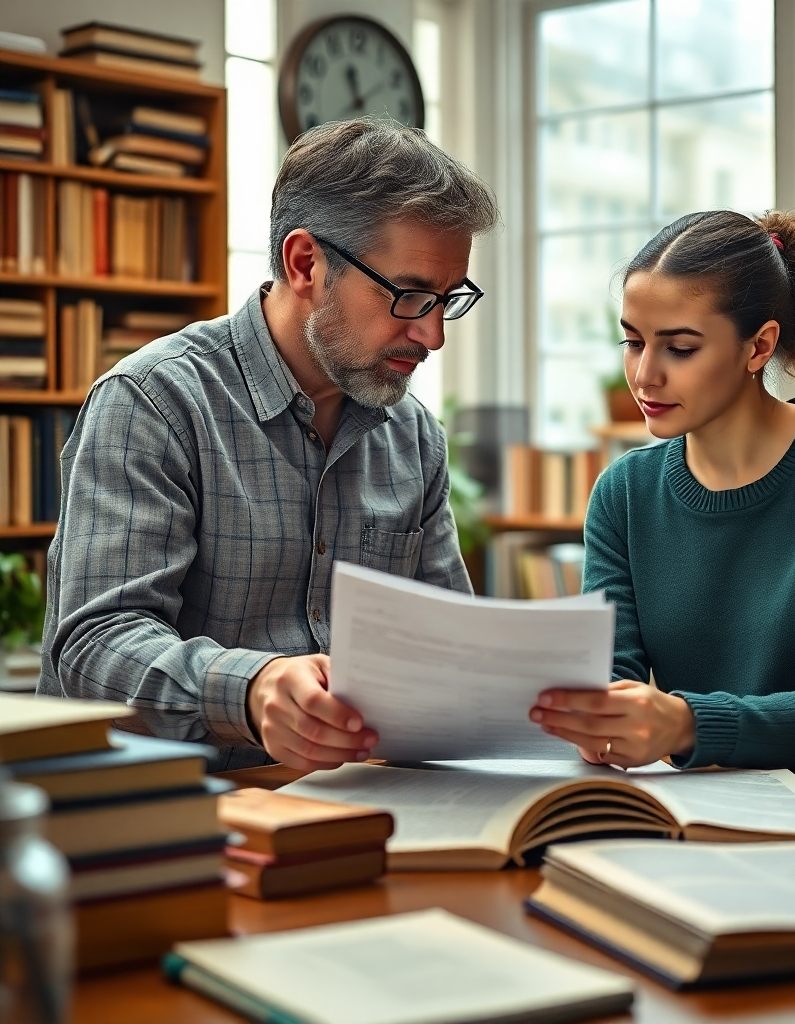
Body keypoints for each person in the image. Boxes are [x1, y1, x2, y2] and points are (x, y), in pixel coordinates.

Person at [39, 118, 499, 773]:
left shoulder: (413, 435)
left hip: (359, 806)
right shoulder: (156, 401)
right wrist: (251, 691)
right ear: (305, 263)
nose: (432, 335)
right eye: (410, 295)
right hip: (165, 815)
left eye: (447, 300)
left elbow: (446, 646)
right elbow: (93, 649)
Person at [529, 210, 795, 780]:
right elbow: (610, 676)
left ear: (759, 347)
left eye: (679, 348)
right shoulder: (624, 493)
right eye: (633, 342)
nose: (644, 376)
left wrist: (684, 725)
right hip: (720, 796)